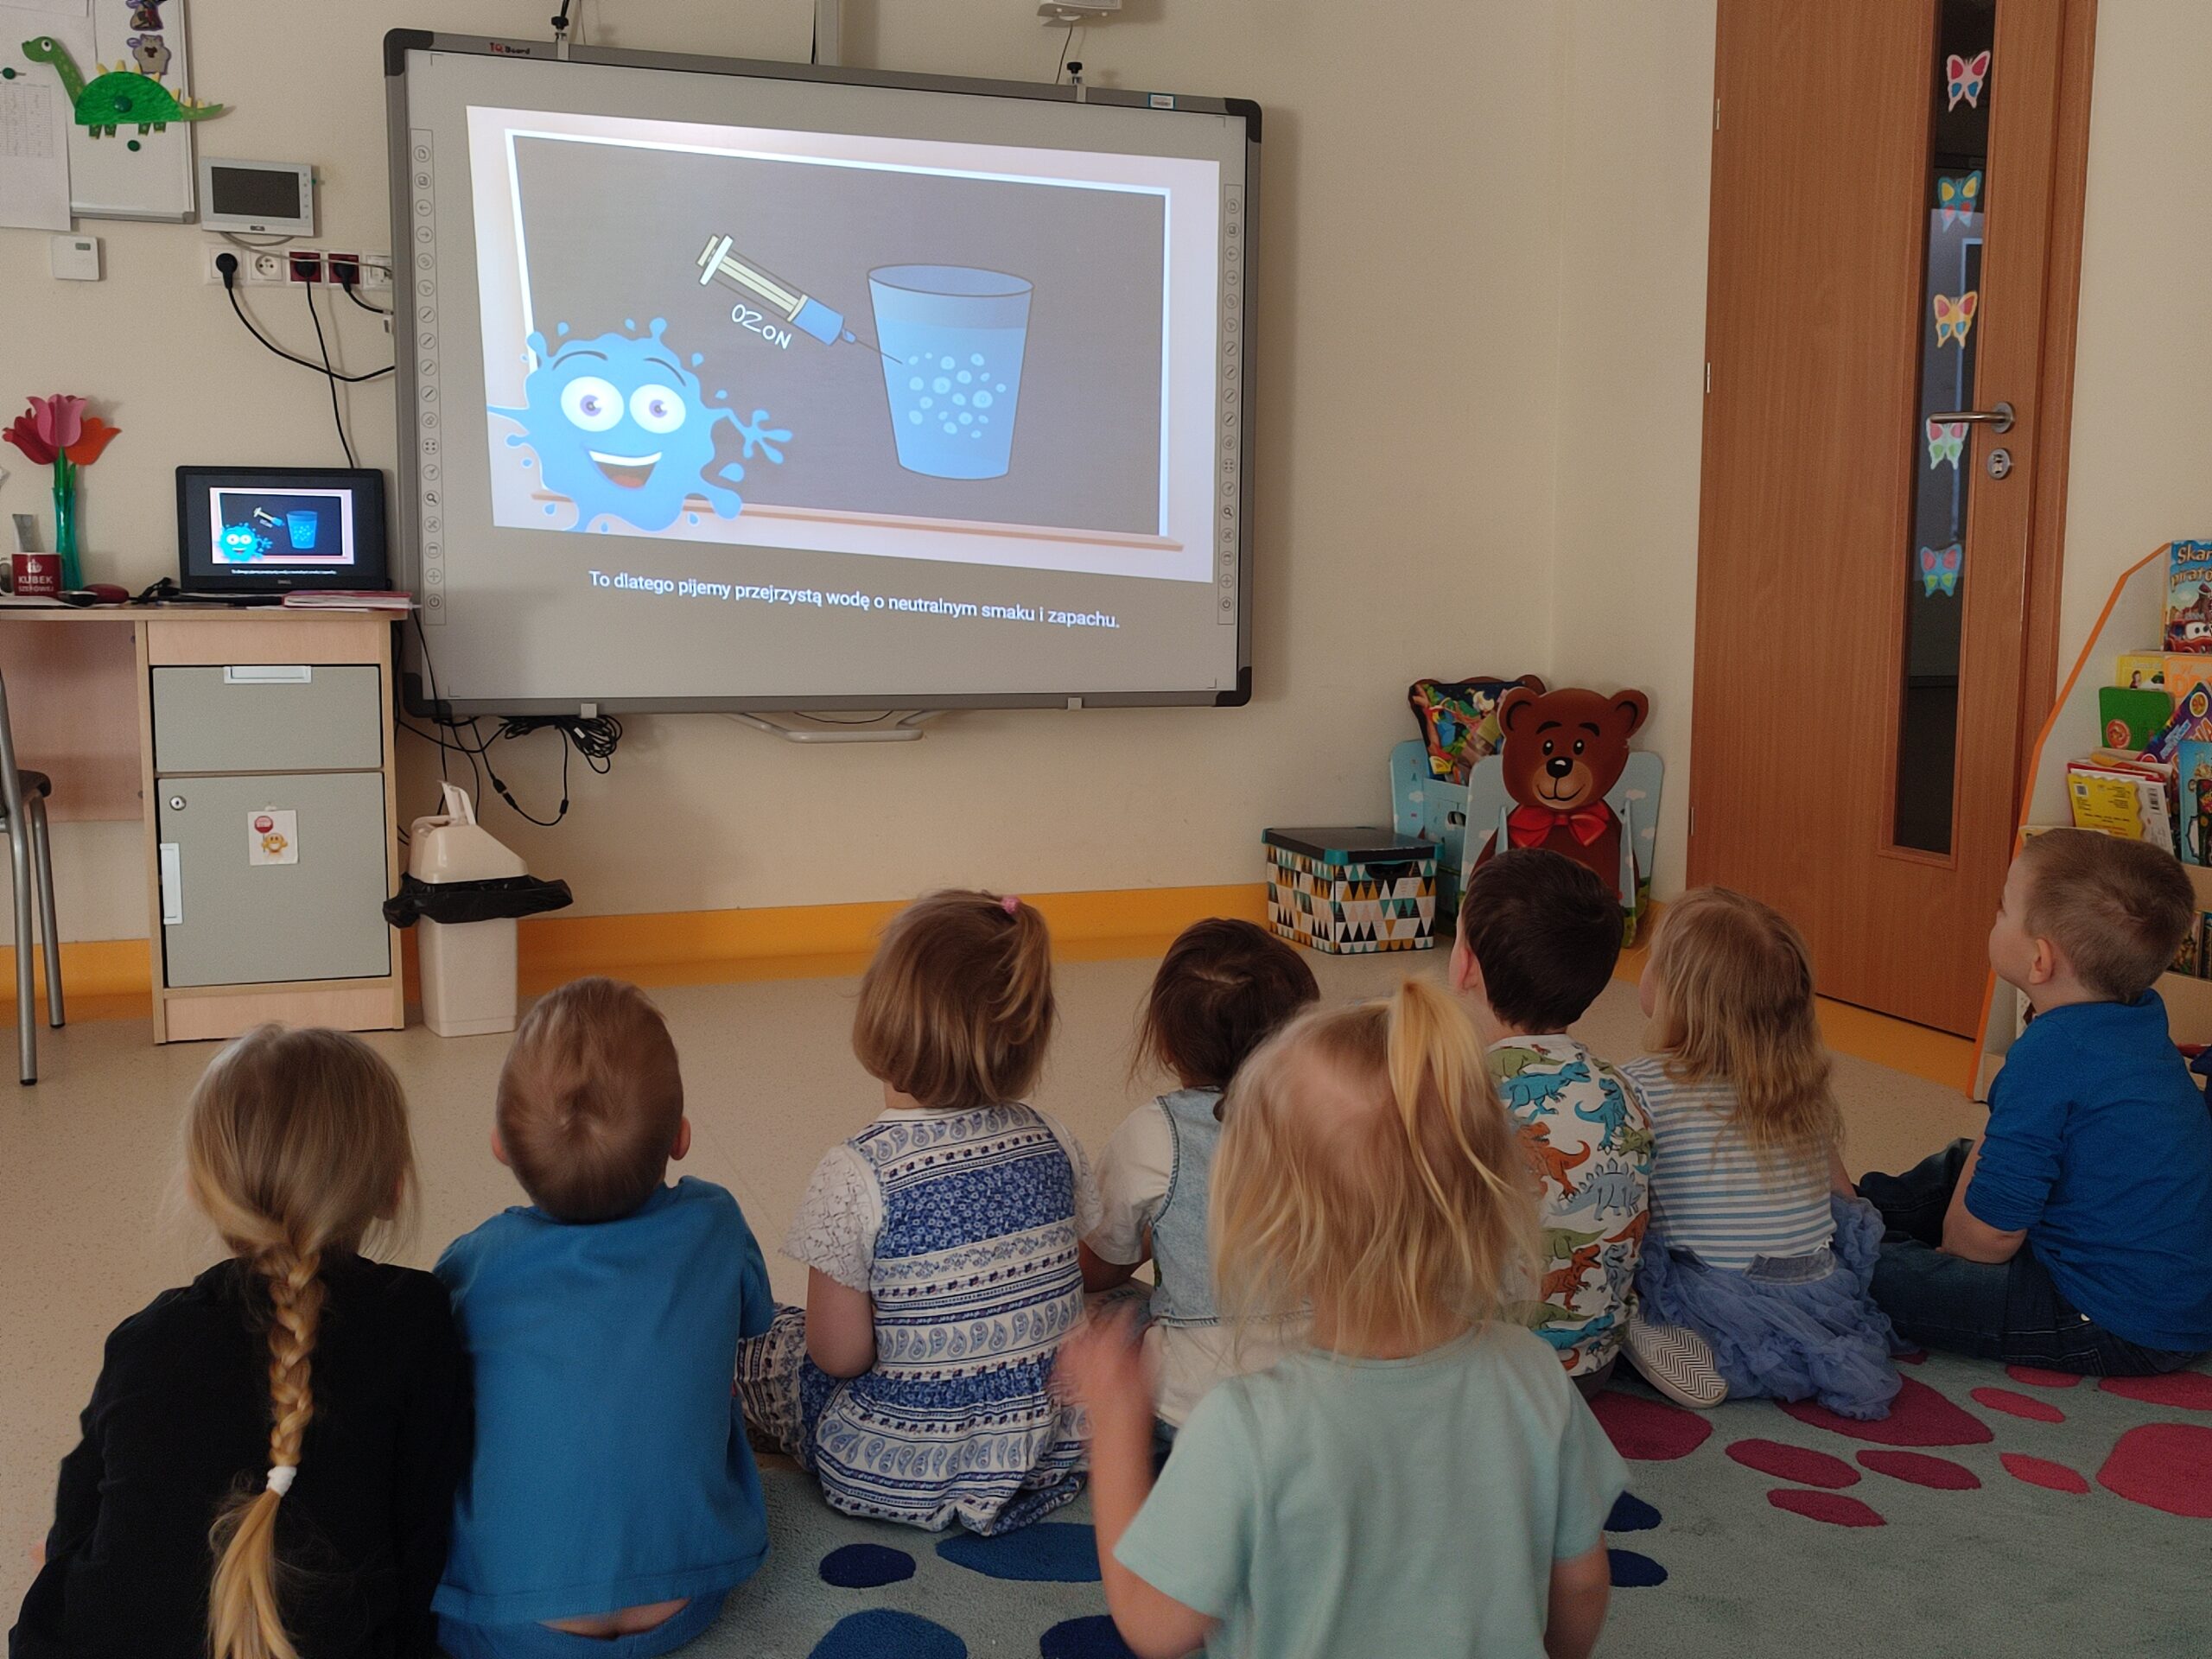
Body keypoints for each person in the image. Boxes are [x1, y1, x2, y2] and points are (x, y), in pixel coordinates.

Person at [1056, 982, 1625, 1659]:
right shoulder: (1533, 1374)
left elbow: (1155, 1625)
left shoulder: (1245, 1425)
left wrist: (1117, 1429)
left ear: (1269, 1228)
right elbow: (1582, 1582)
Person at [11, 1027, 469, 1659]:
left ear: (204, 1193)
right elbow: (427, 1549)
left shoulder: (144, 1341)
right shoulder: (416, 1320)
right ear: (392, 1186)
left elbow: (74, 1528)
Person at [433, 978, 776, 1657]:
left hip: (516, 1623)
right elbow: (755, 1322)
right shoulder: (715, 1223)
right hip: (687, 1595)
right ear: (680, 1138)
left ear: (500, 1146)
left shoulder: (471, 1265)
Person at [737, 891, 1096, 1533]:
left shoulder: (858, 1171)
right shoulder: (1054, 1138)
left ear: (883, 1022)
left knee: (765, 1341)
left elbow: (839, 1355)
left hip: (899, 1463)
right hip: (1047, 1446)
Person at [1860, 830, 2212, 1373]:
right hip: (2152, 1283)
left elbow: (1991, 1239)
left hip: (2110, 1318)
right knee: (1964, 1160)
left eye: (2003, 908)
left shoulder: (2053, 1054)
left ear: (2041, 960)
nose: (1996, 915)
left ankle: (1842, 1239)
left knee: (1870, 1277)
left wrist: (1949, 1259)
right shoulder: (2135, 1015)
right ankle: (1862, 1213)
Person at [1622, 889, 1902, 1418]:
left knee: (1626, 1234)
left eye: (1654, 960)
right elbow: (1842, 1195)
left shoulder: (1641, 1085)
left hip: (1714, 1299)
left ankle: (1653, 1330)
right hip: (1821, 1294)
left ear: (1681, 994)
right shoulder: (1799, 1086)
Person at [1448, 847, 1693, 1399]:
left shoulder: (1451, 1089)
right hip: (1588, 1370)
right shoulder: (1623, 1089)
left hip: (1476, 1374)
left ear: (1464, 965)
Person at [1080, 918, 1320, 1431]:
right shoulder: (1336, 1118)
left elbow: (1096, 1270)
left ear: (1166, 1044)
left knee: (1098, 1314)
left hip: (1194, 1411)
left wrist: (1153, 1240)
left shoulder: (1152, 1133)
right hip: (1323, 1397)